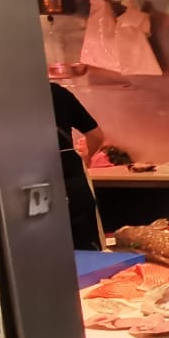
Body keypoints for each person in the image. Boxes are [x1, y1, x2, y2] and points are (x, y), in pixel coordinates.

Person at [50, 82, 106, 251]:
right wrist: (86, 159)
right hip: (71, 180)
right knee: (87, 254)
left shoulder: (2, 97)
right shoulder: (56, 92)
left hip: (28, 188)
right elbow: (96, 135)